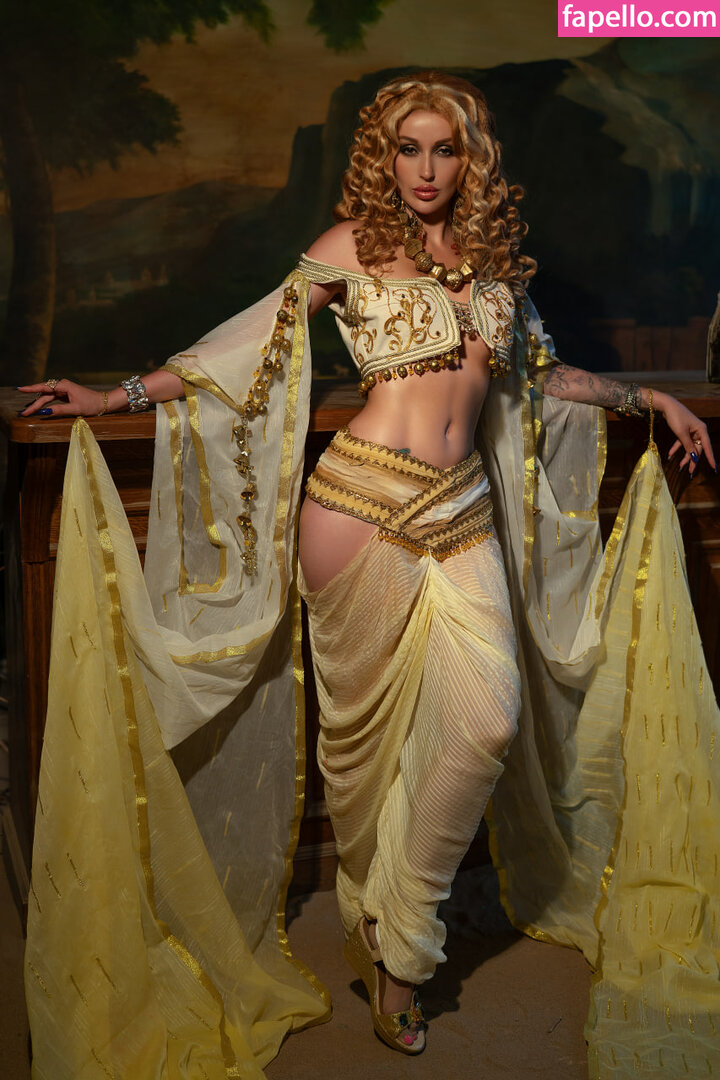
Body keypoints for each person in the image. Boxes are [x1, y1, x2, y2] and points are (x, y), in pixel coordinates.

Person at [19, 72, 719, 1075]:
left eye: (444, 149)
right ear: (383, 159)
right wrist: (114, 396)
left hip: (462, 511)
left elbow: (537, 376)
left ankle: (400, 936)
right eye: (407, 149)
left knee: (487, 719)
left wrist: (649, 398)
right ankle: (386, 949)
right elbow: (245, 349)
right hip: (358, 507)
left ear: (469, 158)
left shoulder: (491, 264)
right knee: (363, 758)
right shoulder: (351, 248)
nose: (425, 169)